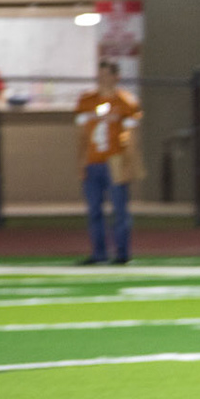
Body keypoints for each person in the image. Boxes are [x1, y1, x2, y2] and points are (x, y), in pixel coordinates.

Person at [74, 60, 141, 265]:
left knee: (120, 210)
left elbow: (131, 135)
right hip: (93, 161)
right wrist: (80, 161)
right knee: (94, 211)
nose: (102, 79)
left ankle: (122, 253)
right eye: (100, 74)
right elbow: (81, 134)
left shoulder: (125, 101)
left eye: (106, 74)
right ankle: (99, 253)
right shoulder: (87, 100)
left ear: (116, 77)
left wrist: (129, 164)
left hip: (115, 161)